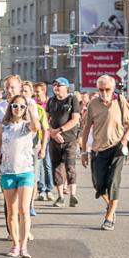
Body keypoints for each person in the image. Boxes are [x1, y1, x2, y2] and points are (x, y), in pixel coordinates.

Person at [80, 75, 129, 230]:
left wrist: (125, 139)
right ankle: (111, 205)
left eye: (107, 89)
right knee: (99, 185)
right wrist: (84, 152)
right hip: (98, 148)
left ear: (113, 88)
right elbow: (86, 128)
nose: (104, 93)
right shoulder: (93, 104)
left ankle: (109, 215)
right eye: (101, 90)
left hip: (117, 147)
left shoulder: (120, 101)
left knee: (113, 181)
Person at [0, 94, 39, 258]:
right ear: (10, 107)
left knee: (23, 210)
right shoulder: (2, 127)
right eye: (15, 106)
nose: (18, 109)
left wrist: (32, 110)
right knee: (11, 211)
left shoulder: (27, 126)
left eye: (21, 106)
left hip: (26, 171)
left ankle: (24, 245)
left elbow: (36, 127)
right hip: (7, 171)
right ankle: (15, 244)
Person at [47, 78, 81, 208]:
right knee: (56, 168)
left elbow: (75, 119)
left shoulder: (72, 100)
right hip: (54, 140)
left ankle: (73, 195)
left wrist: (59, 131)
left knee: (70, 166)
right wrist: (52, 132)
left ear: (66, 87)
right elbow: (45, 119)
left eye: (59, 85)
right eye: (54, 85)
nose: (56, 87)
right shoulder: (51, 101)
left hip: (69, 139)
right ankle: (60, 196)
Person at [32, 82, 54, 201]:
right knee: (38, 164)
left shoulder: (49, 103)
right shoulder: (33, 104)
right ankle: (42, 189)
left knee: (47, 163)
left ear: (44, 91)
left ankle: (49, 189)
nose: (35, 94)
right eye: (34, 92)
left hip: (47, 136)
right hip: (36, 138)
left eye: (37, 92)